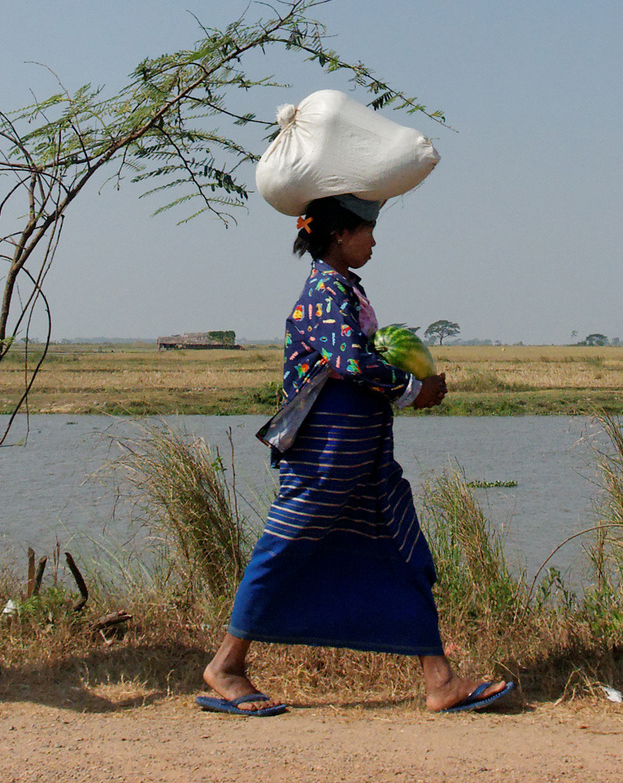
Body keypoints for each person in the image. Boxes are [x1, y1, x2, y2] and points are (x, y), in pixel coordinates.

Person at [197, 195, 512, 717]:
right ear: (340, 234)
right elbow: (347, 362)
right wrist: (413, 388)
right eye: (367, 229)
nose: (373, 241)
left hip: (362, 458)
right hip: (325, 457)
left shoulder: (346, 288)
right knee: (285, 547)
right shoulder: (324, 289)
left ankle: (441, 680)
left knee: (402, 548)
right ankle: (225, 666)